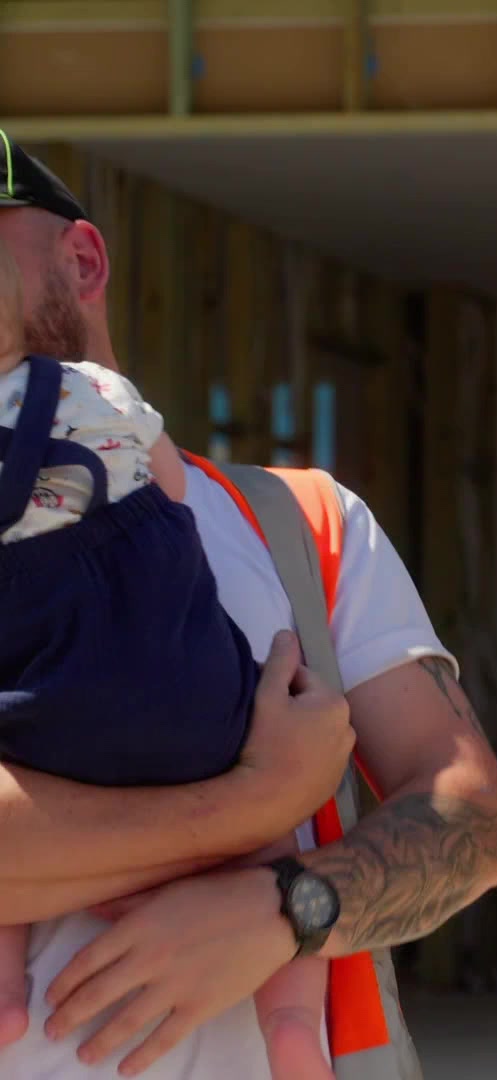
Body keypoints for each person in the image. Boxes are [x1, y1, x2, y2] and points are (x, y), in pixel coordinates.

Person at [0, 133, 497, 1078]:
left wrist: (283, 910)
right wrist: (261, 801)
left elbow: (475, 822)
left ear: (81, 263)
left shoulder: (299, 522)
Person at [0, 235, 330, 1078]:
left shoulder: (313, 520)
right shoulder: (98, 391)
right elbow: (173, 490)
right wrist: (262, 796)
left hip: (46, 715)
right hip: (190, 699)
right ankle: (295, 1023)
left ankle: (4, 994)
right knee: (275, 842)